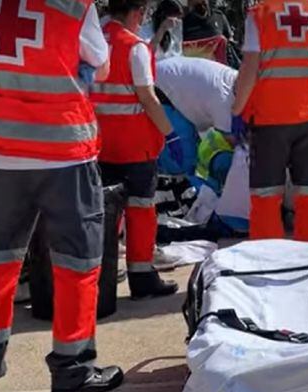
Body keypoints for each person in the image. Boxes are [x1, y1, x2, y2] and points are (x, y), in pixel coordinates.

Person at [0, 0, 123, 392]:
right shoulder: (73, 6)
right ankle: (73, 370)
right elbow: (100, 66)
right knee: (77, 262)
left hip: (0, 153)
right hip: (63, 152)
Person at [231, 0, 308, 243]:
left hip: (268, 119)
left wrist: (237, 110)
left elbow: (250, 67)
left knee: (266, 194)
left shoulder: (260, 14)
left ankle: (268, 256)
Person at [91, 0, 182, 300]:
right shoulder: (134, 47)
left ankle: (100, 276)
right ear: (136, 12)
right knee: (141, 210)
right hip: (135, 145)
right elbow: (147, 97)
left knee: (105, 212)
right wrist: (170, 135)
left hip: (99, 143)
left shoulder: (92, 38)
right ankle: (142, 277)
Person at [154, 56, 237, 134]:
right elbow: (228, 138)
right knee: (185, 136)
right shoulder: (223, 102)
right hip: (160, 84)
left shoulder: (235, 77)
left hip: (168, 71)